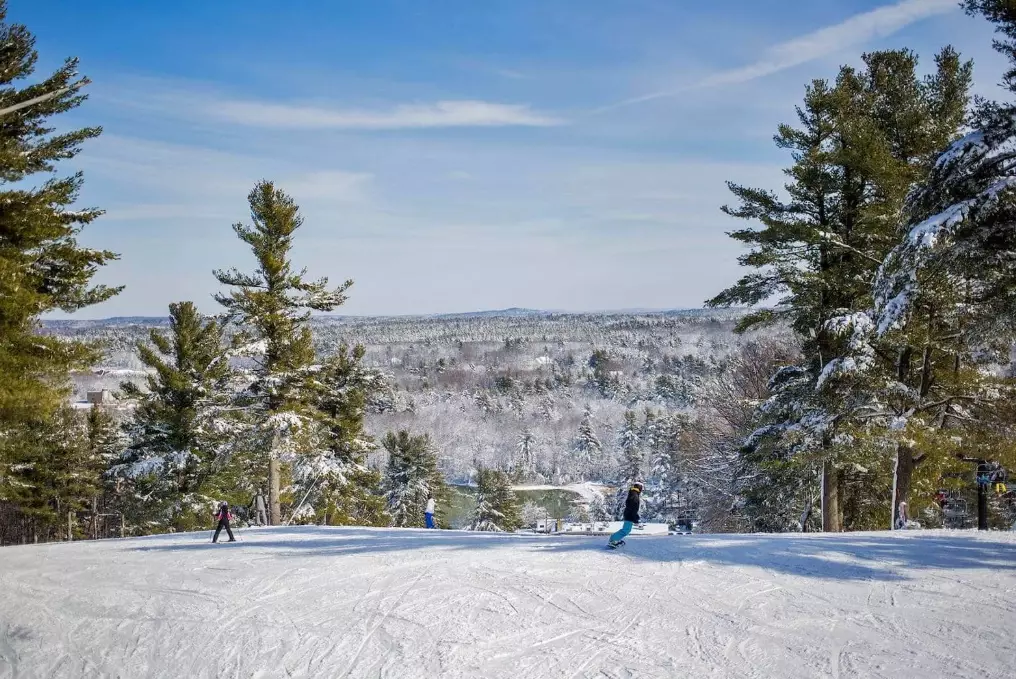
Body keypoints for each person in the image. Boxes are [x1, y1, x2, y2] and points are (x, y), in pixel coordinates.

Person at [608, 482, 643, 548]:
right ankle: (613, 540)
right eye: (641, 488)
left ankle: (614, 539)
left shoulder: (633, 493)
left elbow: (632, 506)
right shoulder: (634, 495)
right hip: (629, 514)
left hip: (629, 513)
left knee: (626, 529)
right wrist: (635, 516)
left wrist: (636, 516)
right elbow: (633, 507)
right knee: (626, 530)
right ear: (639, 488)